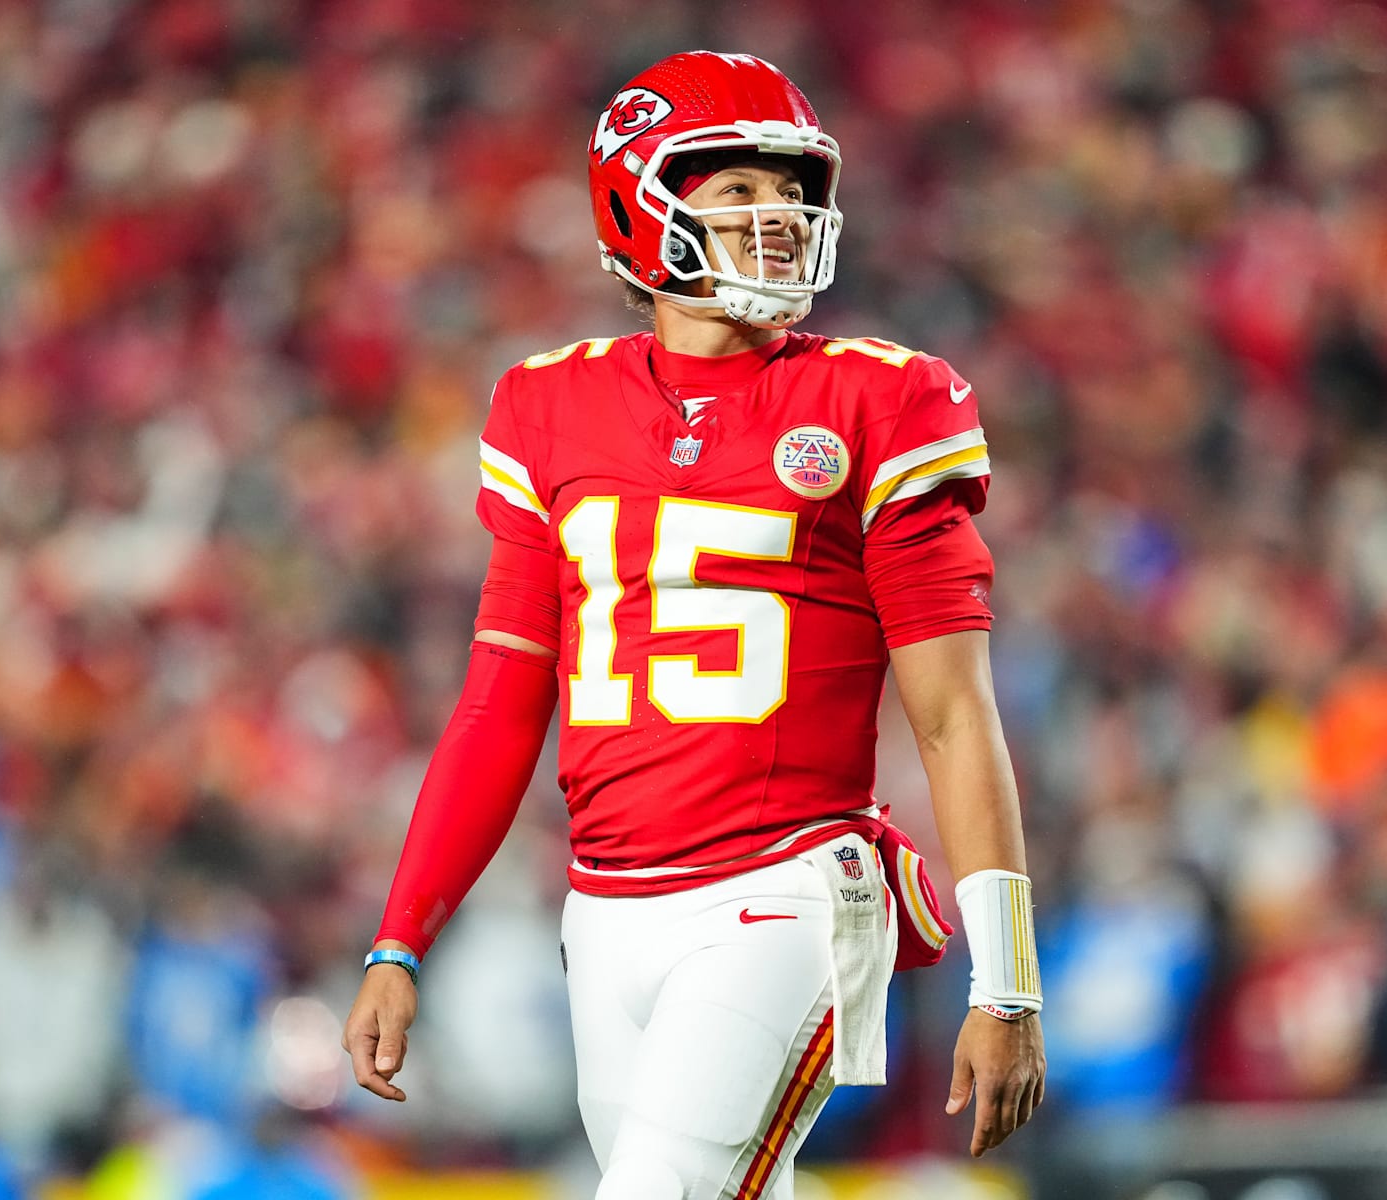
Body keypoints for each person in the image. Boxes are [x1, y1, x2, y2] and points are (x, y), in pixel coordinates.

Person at [340, 50, 1046, 1198]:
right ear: (639, 204)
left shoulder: (882, 397)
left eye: (792, 189)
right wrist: (399, 938)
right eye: (738, 190)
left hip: (789, 886)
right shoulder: (546, 405)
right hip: (605, 911)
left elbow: (956, 715)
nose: (778, 216)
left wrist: (1005, 983)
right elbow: (500, 703)